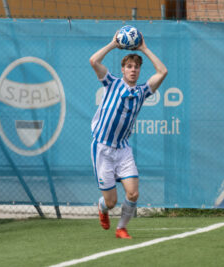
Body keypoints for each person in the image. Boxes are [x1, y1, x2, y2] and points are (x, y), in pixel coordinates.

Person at [89, 32, 167, 239]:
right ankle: (102, 207)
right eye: (129, 67)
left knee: (133, 193)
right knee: (111, 201)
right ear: (123, 69)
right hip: (102, 148)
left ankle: (121, 228)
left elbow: (162, 71)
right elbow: (94, 60)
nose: (133, 70)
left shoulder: (142, 92)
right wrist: (113, 44)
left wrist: (144, 49)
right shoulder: (112, 83)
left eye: (136, 67)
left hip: (122, 149)